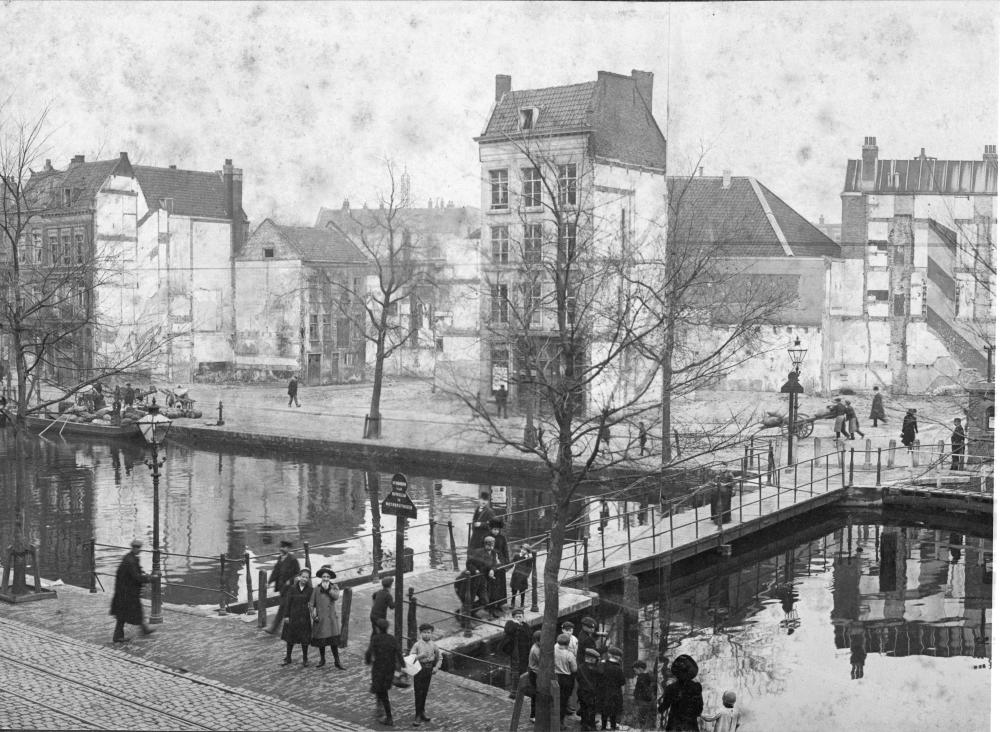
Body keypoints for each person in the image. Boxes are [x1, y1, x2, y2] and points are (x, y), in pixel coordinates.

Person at [110, 539, 153, 643]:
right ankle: (118, 637)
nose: (138, 550)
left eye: (139, 548)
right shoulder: (130, 561)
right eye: (137, 548)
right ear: (133, 548)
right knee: (124, 615)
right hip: (127, 593)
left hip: (125, 591)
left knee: (129, 612)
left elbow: (135, 573)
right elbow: (136, 576)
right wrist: (149, 579)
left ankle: (144, 629)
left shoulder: (130, 558)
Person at [366, 618, 404, 727]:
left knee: (382, 692)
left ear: (377, 628)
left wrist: (368, 661)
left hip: (378, 669)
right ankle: (380, 707)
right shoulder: (392, 639)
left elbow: (369, 653)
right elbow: (398, 653)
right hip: (389, 670)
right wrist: (403, 665)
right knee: (382, 689)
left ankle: (389, 717)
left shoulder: (375, 639)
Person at [308, 565, 344, 669]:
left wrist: (328, 589)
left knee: (333, 642)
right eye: (324, 576)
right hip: (321, 619)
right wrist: (313, 615)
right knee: (321, 641)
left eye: (328, 577)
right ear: (321, 577)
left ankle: (337, 661)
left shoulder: (334, 587)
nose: (326, 578)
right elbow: (311, 603)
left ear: (330, 578)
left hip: (331, 619)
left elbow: (336, 596)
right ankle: (322, 660)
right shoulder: (316, 589)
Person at [658, 654, 704, 731]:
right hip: (691, 726)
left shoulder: (671, 688)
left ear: (676, 672)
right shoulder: (696, 687)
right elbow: (699, 709)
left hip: (674, 726)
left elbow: (663, 707)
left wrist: (657, 709)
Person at [409, 622, 442, 726]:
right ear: (420, 633)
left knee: (425, 692)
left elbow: (440, 658)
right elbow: (411, 658)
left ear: (432, 634)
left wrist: (436, 667)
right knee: (418, 692)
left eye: (429, 632)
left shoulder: (434, 645)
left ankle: (422, 712)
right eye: (424, 632)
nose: (426, 634)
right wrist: (420, 656)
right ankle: (417, 715)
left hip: (429, 670)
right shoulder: (417, 644)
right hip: (419, 670)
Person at [280, 568, 313, 666]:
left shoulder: (310, 590)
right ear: (299, 577)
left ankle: (305, 659)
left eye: (306, 578)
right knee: (290, 638)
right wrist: (286, 616)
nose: (304, 579)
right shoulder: (292, 588)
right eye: (303, 577)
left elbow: (312, 603)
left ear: (308, 579)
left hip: (304, 617)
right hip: (293, 616)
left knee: (305, 639)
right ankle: (288, 658)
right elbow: (288, 603)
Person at [266, 540, 301, 634]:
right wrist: (269, 582)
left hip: (290, 588)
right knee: (288, 608)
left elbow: (298, 573)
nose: (281, 549)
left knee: (283, 607)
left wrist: (290, 581)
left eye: (284, 547)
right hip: (282, 588)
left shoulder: (293, 560)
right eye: (281, 547)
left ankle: (273, 628)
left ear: (288, 549)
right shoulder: (280, 558)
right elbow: (275, 572)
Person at [503, 608, 532, 699]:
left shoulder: (525, 625)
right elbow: (509, 630)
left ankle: (522, 689)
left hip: (524, 651)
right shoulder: (510, 624)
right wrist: (516, 624)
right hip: (516, 651)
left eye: (520, 617)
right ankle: (514, 691)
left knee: (524, 670)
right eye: (517, 617)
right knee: (515, 670)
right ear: (513, 618)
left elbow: (529, 635)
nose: (519, 618)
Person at [469, 536, 501, 617]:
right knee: (482, 598)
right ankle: (469, 611)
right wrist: (475, 570)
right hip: (478, 579)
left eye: (492, 545)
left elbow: (495, 564)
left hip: (488, 579)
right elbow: (469, 563)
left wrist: (492, 570)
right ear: (485, 544)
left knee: (489, 597)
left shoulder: (493, 553)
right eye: (488, 545)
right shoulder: (478, 552)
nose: (490, 547)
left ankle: (473, 611)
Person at [598, 647, 626, 731]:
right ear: (617, 658)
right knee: (613, 710)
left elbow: (599, 676)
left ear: (610, 655)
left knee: (604, 710)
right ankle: (613, 727)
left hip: (603, 691)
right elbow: (622, 682)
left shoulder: (603, 665)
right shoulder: (618, 669)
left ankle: (603, 727)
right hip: (615, 692)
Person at [554, 633, 579, 725]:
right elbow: (574, 669)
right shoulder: (569, 655)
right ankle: (560, 722)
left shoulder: (553, 651)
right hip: (566, 679)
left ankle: (554, 720)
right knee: (563, 701)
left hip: (555, 677)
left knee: (555, 699)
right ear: (568, 644)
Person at [577, 647, 602, 731]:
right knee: (592, 709)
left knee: (583, 708)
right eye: (596, 659)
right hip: (592, 692)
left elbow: (578, 678)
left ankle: (584, 725)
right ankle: (592, 725)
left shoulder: (580, 667)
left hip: (582, 691)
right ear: (591, 659)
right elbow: (600, 678)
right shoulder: (596, 669)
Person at [487, 519, 509, 612]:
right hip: (491, 562)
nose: (496, 531)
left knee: (501, 584)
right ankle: (491, 605)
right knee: (492, 585)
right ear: (491, 529)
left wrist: (507, 561)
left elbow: (505, 550)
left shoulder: (502, 538)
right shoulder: (487, 538)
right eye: (494, 529)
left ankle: (500, 603)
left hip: (501, 562)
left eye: (497, 529)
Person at [454, 561, 484, 625]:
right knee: (466, 602)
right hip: (462, 586)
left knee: (469, 603)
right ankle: (464, 623)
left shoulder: (479, 571)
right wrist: (465, 600)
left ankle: (467, 613)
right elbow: (462, 591)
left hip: (471, 586)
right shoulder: (467, 574)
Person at [630, 660, 657, 731]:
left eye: (635, 671)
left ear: (640, 669)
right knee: (646, 718)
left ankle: (643, 729)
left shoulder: (642, 677)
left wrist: (636, 695)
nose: (635, 673)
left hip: (642, 700)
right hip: (647, 700)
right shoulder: (649, 676)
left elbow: (642, 689)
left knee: (641, 718)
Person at [509, 543, 535, 608]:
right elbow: (512, 563)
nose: (523, 551)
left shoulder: (529, 558)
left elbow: (530, 568)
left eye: (525, 550)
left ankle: (522, 603)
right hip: (516, 574)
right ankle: (512, 602)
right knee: (514, 590)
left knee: (522, 590)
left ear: (527, 552)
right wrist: (507, 567)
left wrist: (526, 575)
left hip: (523, 576)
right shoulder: (517, 556)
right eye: (522, 549)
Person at [526, 630, 543, 721]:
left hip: (536, 672)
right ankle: (533, 715)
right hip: (535, 673)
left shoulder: (537, 647)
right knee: (535, 695)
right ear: (537, 641)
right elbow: (542, 662)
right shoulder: (536, 650)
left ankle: (536, 714)